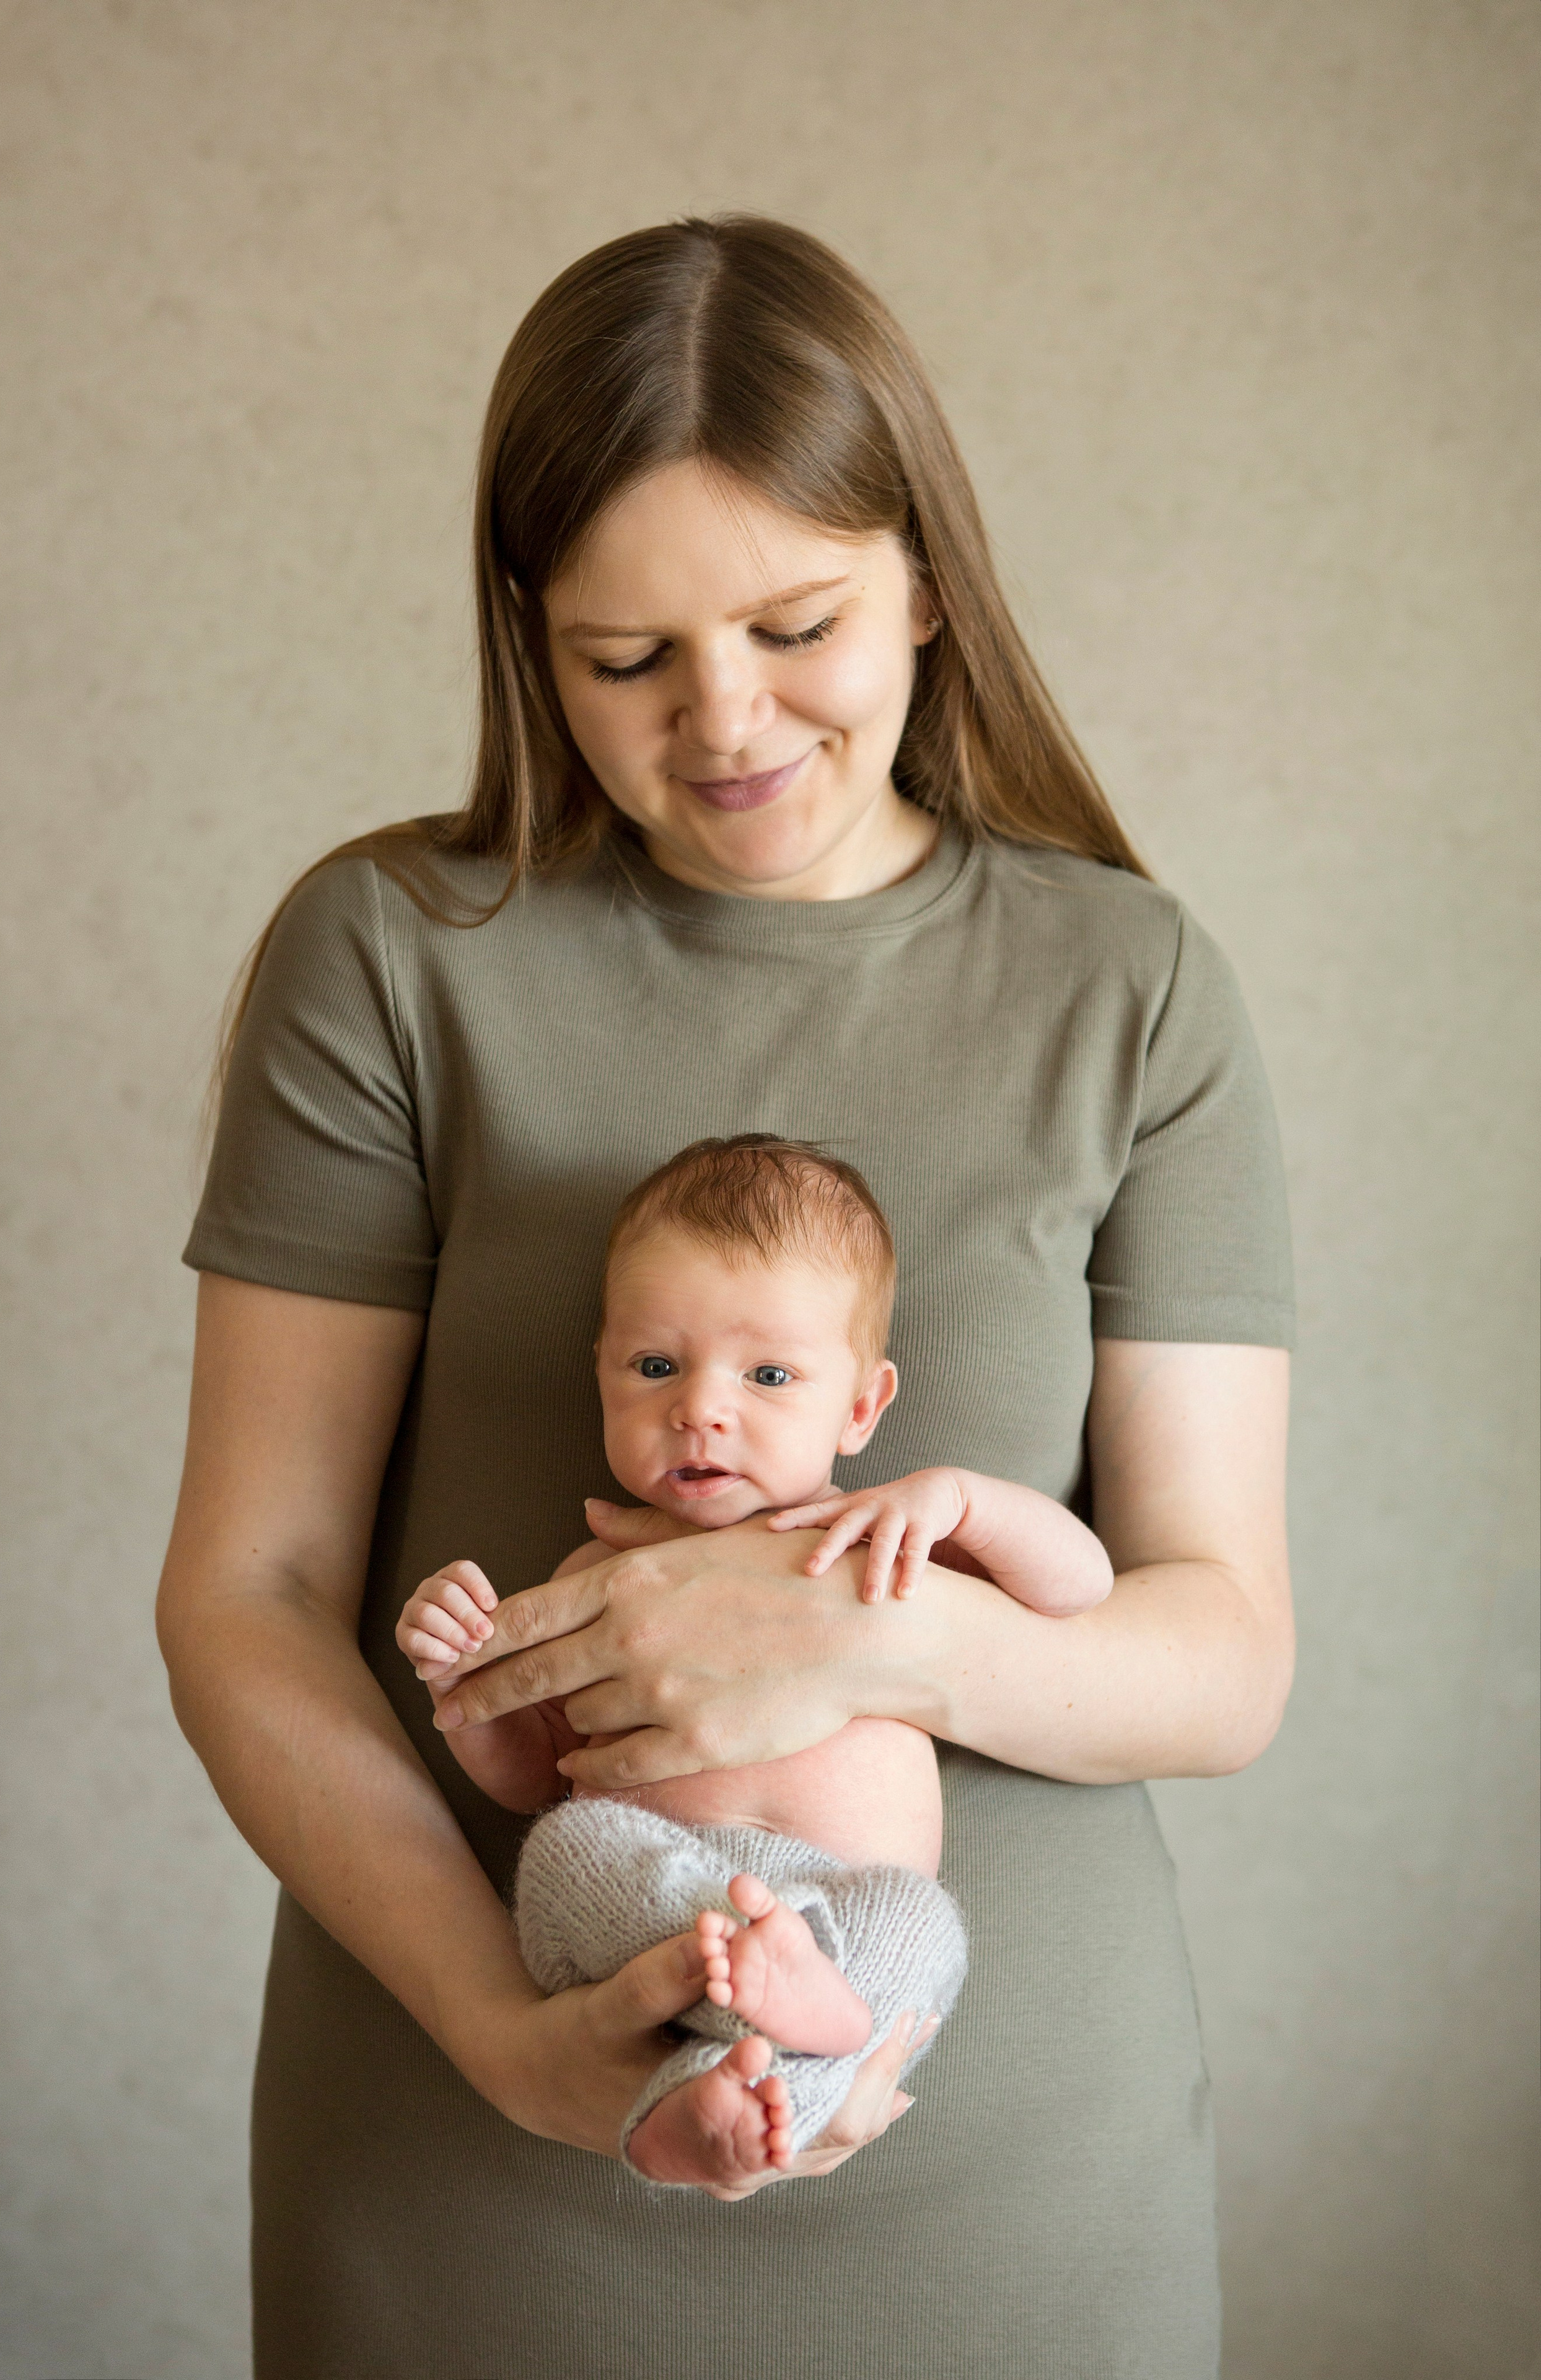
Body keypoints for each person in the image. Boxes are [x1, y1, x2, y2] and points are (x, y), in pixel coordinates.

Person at [157, 213, 1294, 2379]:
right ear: (530, 644)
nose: (729, 721)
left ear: (930, 587)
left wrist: (855, 1633)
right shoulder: (395, 955)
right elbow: (253, 1587)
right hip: (469, 2180)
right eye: (627, 660)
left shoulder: (1132, 992)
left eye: (798, 624)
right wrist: (510, 2037)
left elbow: (1221, 1652)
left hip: (1008, 2205)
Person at [395, 1132, 1113, 2188]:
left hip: (848, 1906)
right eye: (654, 1367)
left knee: (921, 1933)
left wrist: (964, 1499)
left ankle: (708, 2105)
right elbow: (534, 1780)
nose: (701, 1408)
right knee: (567, 1848)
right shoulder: (601, 1572)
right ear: (600, 1372)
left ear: (863, 1407)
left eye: (770, 1374)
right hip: (667, 1912)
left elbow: (1080, 1586)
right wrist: (468, 1685)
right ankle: (760, 2022)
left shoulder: (888, 1536)